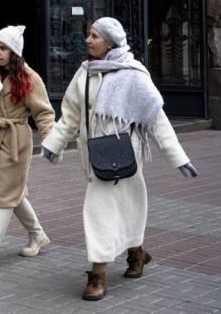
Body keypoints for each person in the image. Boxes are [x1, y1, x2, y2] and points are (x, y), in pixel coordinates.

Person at [41, 17, 199, 301]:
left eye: (94, 36)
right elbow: (71, 115)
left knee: (115, 208)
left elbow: (157, 120)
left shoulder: (134, 73)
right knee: (107, 209)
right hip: (95, 157)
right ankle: (136, 253)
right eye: (88, 35)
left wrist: (179, 159)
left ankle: (98, 274)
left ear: (110, 43)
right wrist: (54, 143)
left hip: (127, 156)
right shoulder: (84, 73)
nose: (88, 40)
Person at [0, 25, 55, 270]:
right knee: (11, 192)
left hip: (16, 140)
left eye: (3, 48)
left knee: (3, 193)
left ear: (14, 52)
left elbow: (44, 113)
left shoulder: (29, 78)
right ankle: (37, 235)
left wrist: (50, 140)